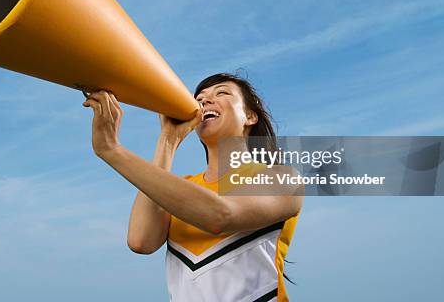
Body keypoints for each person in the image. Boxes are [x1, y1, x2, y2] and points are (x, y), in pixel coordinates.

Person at [83, 73, 303, 302]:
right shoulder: (182, 189)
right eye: (200, 98)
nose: (205, 101)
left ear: (249, 116)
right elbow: (141, 241)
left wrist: (111, 150)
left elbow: (220, 215)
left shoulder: (282, 177)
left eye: (222, 93)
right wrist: (167, 140)